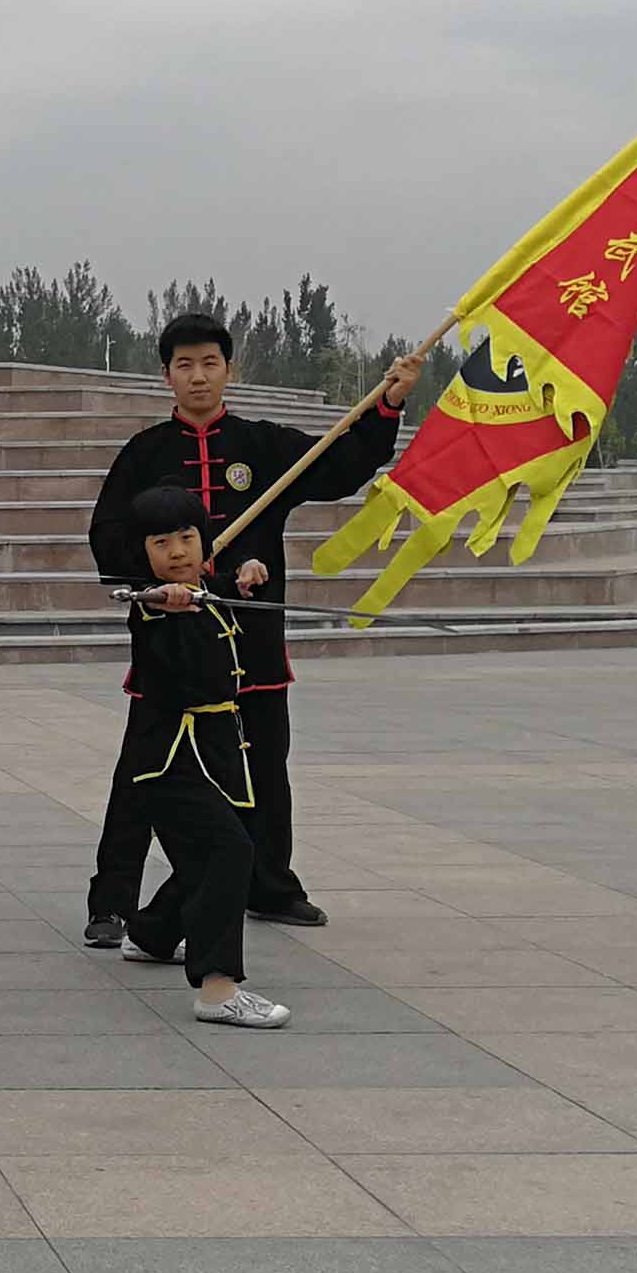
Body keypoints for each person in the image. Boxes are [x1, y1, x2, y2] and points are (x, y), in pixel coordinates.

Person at [84, 313, 421, 938]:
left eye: (210, 363)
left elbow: (342, 464)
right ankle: (111, 903)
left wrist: (389, 403)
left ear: (229, 370)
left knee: (266, 764)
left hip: (253, 641)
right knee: (141, 773)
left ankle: (270, 885)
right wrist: (158, 583)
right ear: (166, 376)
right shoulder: (145, 454)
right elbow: (106, 536)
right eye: (185, 365)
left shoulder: (263, 446)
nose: (198, 376)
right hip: (170, 644)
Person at [107, 487, 288, 1028]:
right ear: (141, 553)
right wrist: (166, 601)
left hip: (217, 749)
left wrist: (245, 573)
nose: (177, 552)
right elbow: (153, 610)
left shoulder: (206, 589)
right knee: (226, 851)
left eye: (186, 538)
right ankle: (218, 987)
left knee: (224, 846)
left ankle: (153, 933)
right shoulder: (153, 605)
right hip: (170, 757)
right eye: (161, 543)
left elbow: (225, 584)